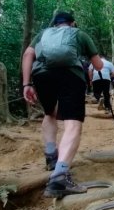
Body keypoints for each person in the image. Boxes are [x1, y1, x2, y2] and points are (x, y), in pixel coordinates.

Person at [22, 11, 104, 199]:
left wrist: (27, 83)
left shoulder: (42, 34)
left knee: (49, 113)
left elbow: (28, 54)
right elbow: (98, 65)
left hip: (41, 75)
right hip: (70, 76)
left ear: (55, 24)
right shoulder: (79, 34)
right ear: (72, 23)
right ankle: (59, 177)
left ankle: (51, 156)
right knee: (73, 122)